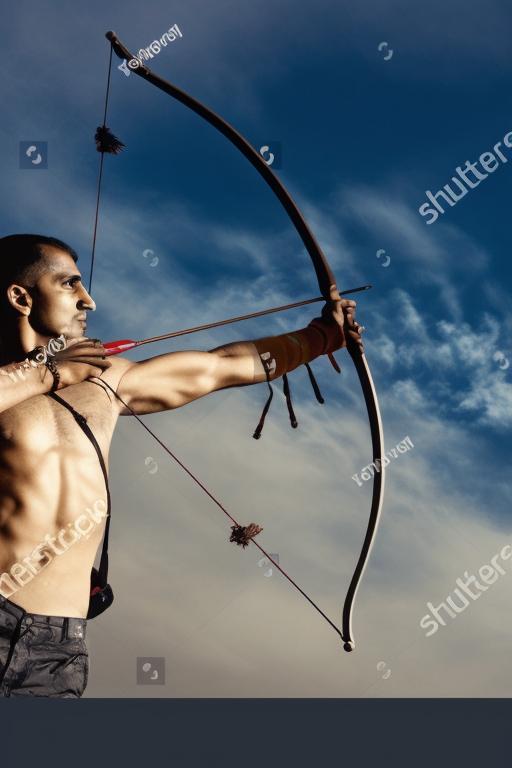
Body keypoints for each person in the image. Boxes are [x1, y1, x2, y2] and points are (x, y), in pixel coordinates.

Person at [0, 233, 363, 697]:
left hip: (56, 649)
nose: (88, 299)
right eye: (70, 285)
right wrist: (47, 373)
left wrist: (321, 337)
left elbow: (221, 366)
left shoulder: (106, 383)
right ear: (20, 296)